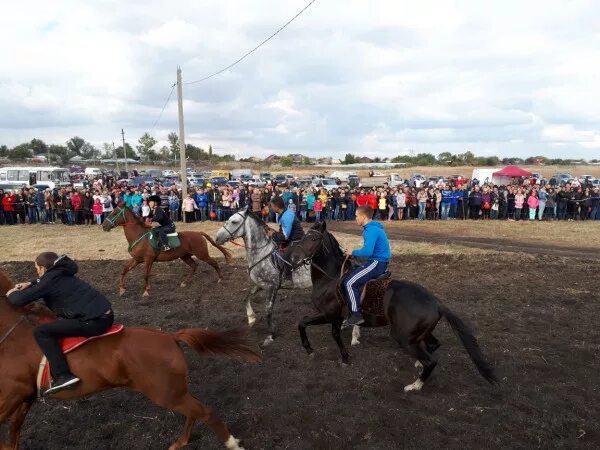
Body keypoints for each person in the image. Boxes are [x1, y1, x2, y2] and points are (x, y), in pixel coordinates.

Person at [6, 252, 113, 395]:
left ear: (43, 268)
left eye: (37, 268)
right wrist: (31, 282)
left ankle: (63, 376)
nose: (37, 272)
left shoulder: (48, 281)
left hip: (94, 322)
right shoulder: (61, 271)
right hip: (105, 314)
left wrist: (11, 292)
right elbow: (43, 281)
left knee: (41, 332)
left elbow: (18, 300)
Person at [342, 205, 391, 327]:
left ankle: (356, 315)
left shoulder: (371, 230)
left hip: (376, 263)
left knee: (349, 282)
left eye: (357, 216)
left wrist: (352, 252)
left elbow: (368, 251)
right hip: (377, 261)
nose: (356, 219)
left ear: (363, 217)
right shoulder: (373, 228)